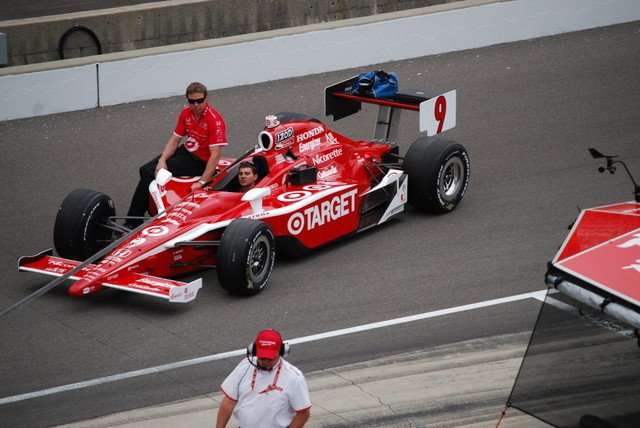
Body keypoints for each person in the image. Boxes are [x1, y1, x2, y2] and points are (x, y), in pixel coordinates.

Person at [125, 81, 228, 227]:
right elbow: (174, 141)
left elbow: (215, 155)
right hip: (186, 151)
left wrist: (202, 182)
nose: (196, 105)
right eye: (192, 101)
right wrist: (162, 160)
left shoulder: (214, 120)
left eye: (200, 101)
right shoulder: (186, 112)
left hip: (200, 161)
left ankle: (132, 222)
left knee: (149, 173)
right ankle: (146, 210)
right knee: (144, 170)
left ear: (206, 99)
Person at [216, 329, 311, 428]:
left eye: (270, 358)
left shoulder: (294, 378)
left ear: (282, 351)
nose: (265, 362)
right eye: (262, 358)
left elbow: (303, 414)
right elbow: (228, 402)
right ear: (254, 350)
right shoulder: (244, 366)